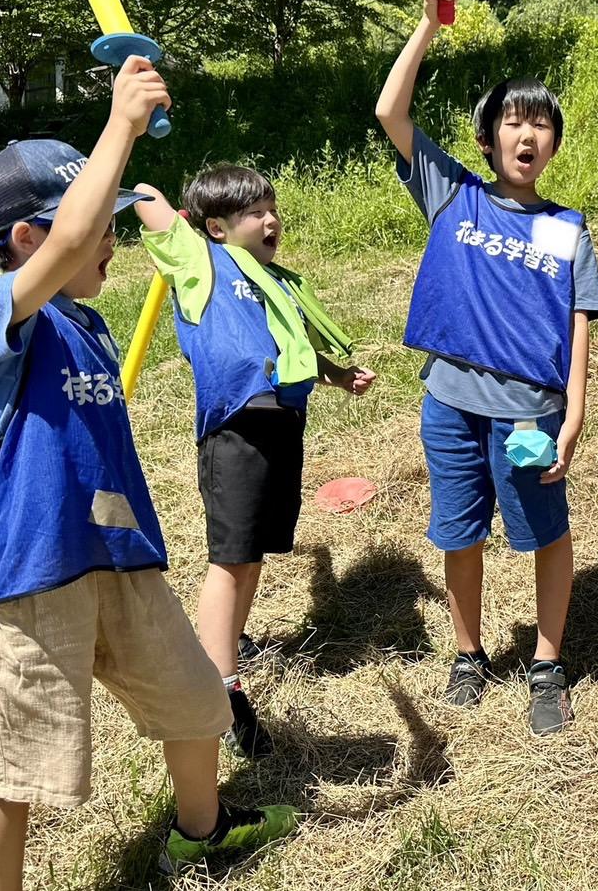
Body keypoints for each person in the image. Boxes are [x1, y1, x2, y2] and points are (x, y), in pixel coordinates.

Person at [0, 58, 298, 889]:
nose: (111, 237)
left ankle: (200, 830)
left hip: (117, 551)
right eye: (97, 221)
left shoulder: (88, 325)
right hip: (34, 567)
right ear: (27, 239)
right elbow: (71, 239)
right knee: (22, 759)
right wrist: (121, 124)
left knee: (194, 696)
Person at [373, 0, 598, 736]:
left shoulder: (566, 228)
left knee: (544, 531)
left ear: (553, 144)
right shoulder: (453, 193)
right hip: (448, 403)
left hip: (527, 414)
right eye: (512, 121)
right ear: (485, 138)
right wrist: (427, 24)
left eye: (540, 123)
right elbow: (389, 110)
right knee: (459, 531)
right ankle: (468, 653)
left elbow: (580, 321)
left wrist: (573, 415)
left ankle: (546, 662)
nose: (526, 133)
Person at [132, 167, 374, 757]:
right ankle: (220, 687)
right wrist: (129, 139)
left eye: (272, 209)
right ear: (216, 227)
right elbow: (147, 199)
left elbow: (289, 347)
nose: (271, 220)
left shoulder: (274, 282)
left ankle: (229, 644)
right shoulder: (202, 263)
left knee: (254, 555)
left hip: (282, 424)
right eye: (254, 212)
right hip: (236, 431)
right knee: (231, 559)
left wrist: (336, 375)